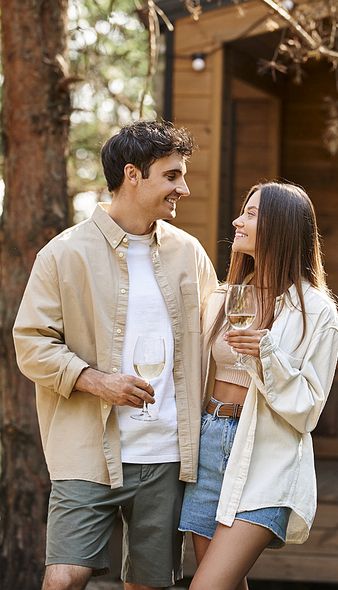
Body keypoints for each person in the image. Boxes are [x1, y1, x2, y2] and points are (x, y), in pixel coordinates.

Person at [13, 120, 218, 590]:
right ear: (132, 174)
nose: (183, 188)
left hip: (168, 454)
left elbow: (216, 334)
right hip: (87, 449)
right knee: (64, 578)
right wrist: (94, 380)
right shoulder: (63, 254)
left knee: (149, 585)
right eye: (172, 176)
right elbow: (30, 343)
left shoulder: (190, 254)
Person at [179, 182, 338, 590]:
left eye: (251, 214)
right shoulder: (223, 298)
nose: (237, 221)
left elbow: (307, 409)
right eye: (243, 211)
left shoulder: (318, 313)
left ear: (282, 226)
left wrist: (266, 354)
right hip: (208, 444)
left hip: (266, 458)